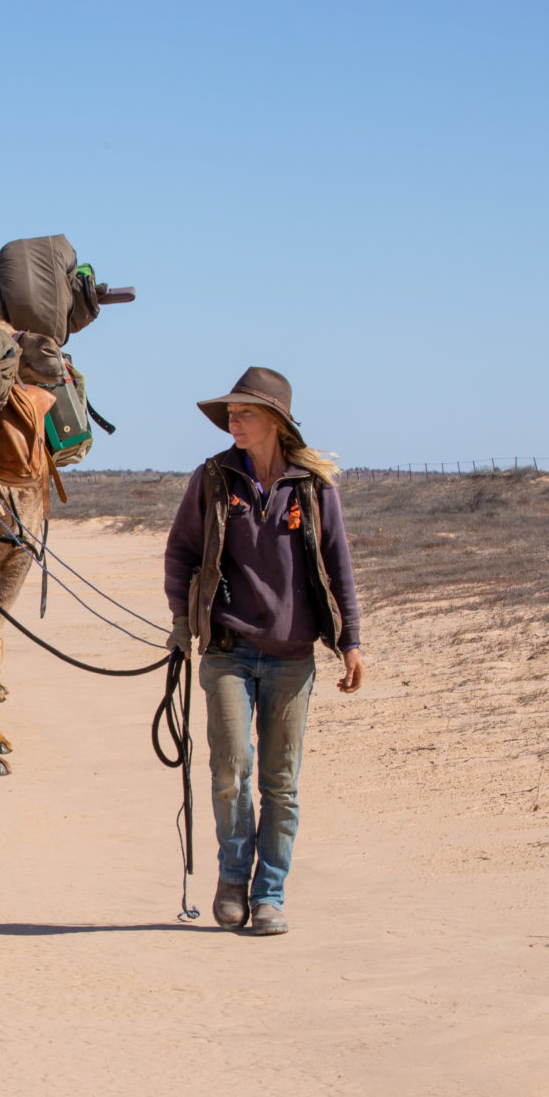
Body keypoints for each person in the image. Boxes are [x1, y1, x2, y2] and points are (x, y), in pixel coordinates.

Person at [163, 367, 364, 936]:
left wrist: (351, 641)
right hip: (227, 648)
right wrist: (182, 621)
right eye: (230, 413)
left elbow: (339, 565)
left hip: (293, 656)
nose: (234, 420)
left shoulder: (314, 486)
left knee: (280, 781)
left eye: (245, 412)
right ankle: (232, 880)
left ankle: (269, 894)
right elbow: (180, 554)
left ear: (275, 421)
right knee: (230, 770)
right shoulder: (213, 478)